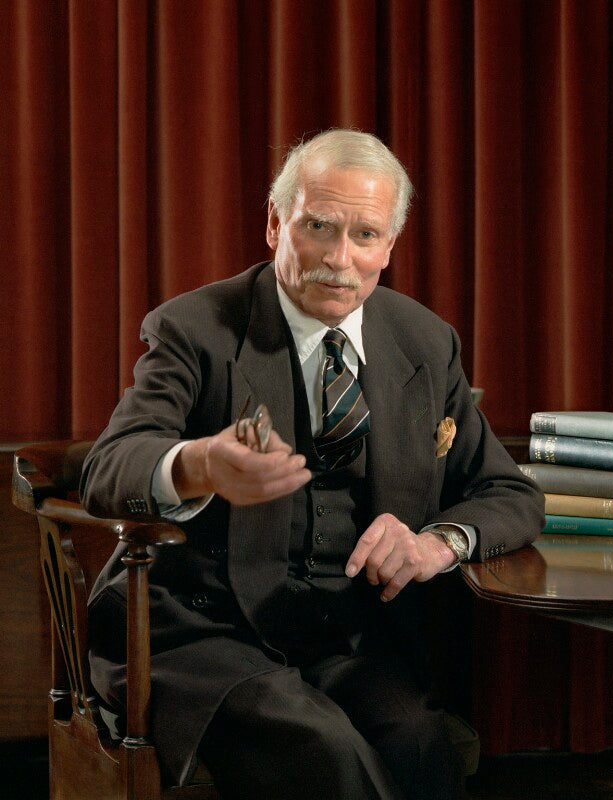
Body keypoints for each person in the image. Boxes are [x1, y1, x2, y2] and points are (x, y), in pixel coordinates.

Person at [81, 129, 544, 800]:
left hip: (345, 639)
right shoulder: (193, 328)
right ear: (276, 224)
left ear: (389, 246)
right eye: (318, 227)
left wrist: (436, 544)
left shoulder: (424, 341)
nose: (339, 258)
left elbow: (508, 492)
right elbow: (108, 467)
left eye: (364, 235)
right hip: (198, 635)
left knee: (419, 745)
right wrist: (201, 463)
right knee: (324, 749)